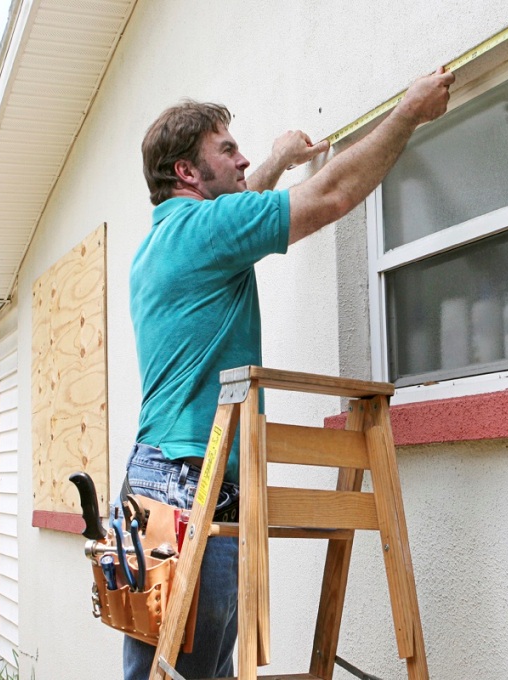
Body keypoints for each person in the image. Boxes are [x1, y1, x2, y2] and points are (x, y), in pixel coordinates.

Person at [122, 66, 455, 680]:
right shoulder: (205, 230)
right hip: (193, 483)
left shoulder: (162, 241)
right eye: (228, 150)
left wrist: (275, 159)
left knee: (162, 672)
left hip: (159, 481)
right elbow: (329, 196)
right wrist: (407, 112)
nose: (243, 159)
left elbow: (242, 208)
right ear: (187, 174)